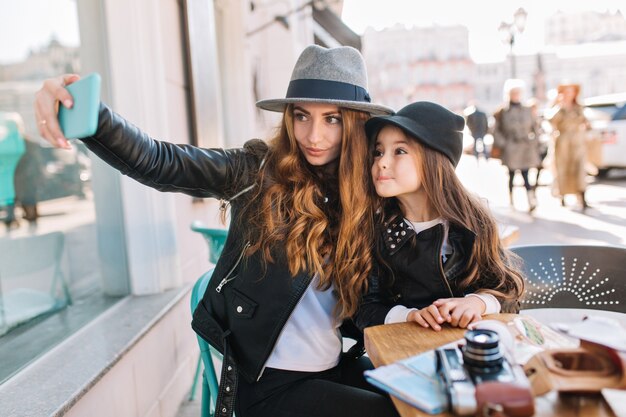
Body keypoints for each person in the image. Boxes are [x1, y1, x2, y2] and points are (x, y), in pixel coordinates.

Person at [34, 45, 399, 417]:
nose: (313, 135)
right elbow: (159, 161)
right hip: (269, 385)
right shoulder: (258, 172)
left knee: (422, 401)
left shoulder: (365, 196)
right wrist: (91, 117)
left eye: (332, 119)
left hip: (333, 366)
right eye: (302, 116)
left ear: (353, 123)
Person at [354, 101, 524, 333]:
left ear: (434, 159)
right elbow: (361, 308)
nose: (381, 162)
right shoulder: (372, 229)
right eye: (378, 152)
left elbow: (509, 291)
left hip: (466, 351)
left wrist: (477, 302)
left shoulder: (473, 222)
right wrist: (410, 315)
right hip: (400, 354)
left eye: (400, 151)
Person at [493, 79, 541, 212]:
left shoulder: (527, 110)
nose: (515, 95)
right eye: (513, 93)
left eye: (517, 92)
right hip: (511, 147)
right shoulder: (502, 111)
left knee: (526, 174)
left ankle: (531, 200)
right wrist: (504, 143)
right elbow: (496, 130)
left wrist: (534, 141)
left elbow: (535, 126)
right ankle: (511, 200)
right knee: (512, 175)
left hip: (525, 147)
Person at [549, 82, 590, 210]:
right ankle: (562, 195)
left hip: (577, 142)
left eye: (572, 91)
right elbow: (551, 121)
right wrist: (560, 106)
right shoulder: (558, 107)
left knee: (579, 169)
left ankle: (582, 197)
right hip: (563, 143)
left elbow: (585, 121)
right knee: (562, 168)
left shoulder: (579, 107)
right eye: (567, 91)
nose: (569, 94)